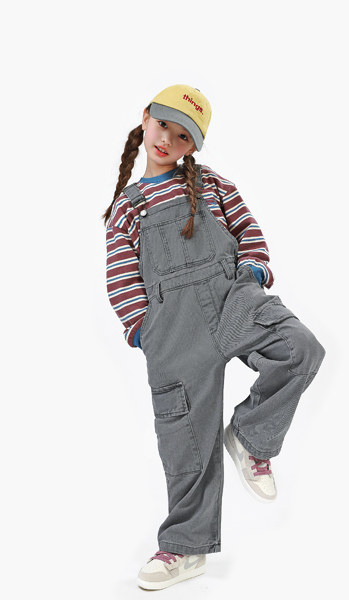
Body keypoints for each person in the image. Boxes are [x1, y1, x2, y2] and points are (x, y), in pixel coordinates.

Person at [103, 84, 326, 591]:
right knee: (186, 442)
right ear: (146, 118)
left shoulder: (214, 185)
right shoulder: (128, 208)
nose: (167, 140)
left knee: (300, 349)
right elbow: (120, 278)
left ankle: (250, 437)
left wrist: (253, 273)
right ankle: (185, 548)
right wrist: (144, 331)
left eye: (182, 135)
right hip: (173, 330)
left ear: (193, 146)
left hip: (232, 300)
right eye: (163, 125)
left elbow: (248, 231)